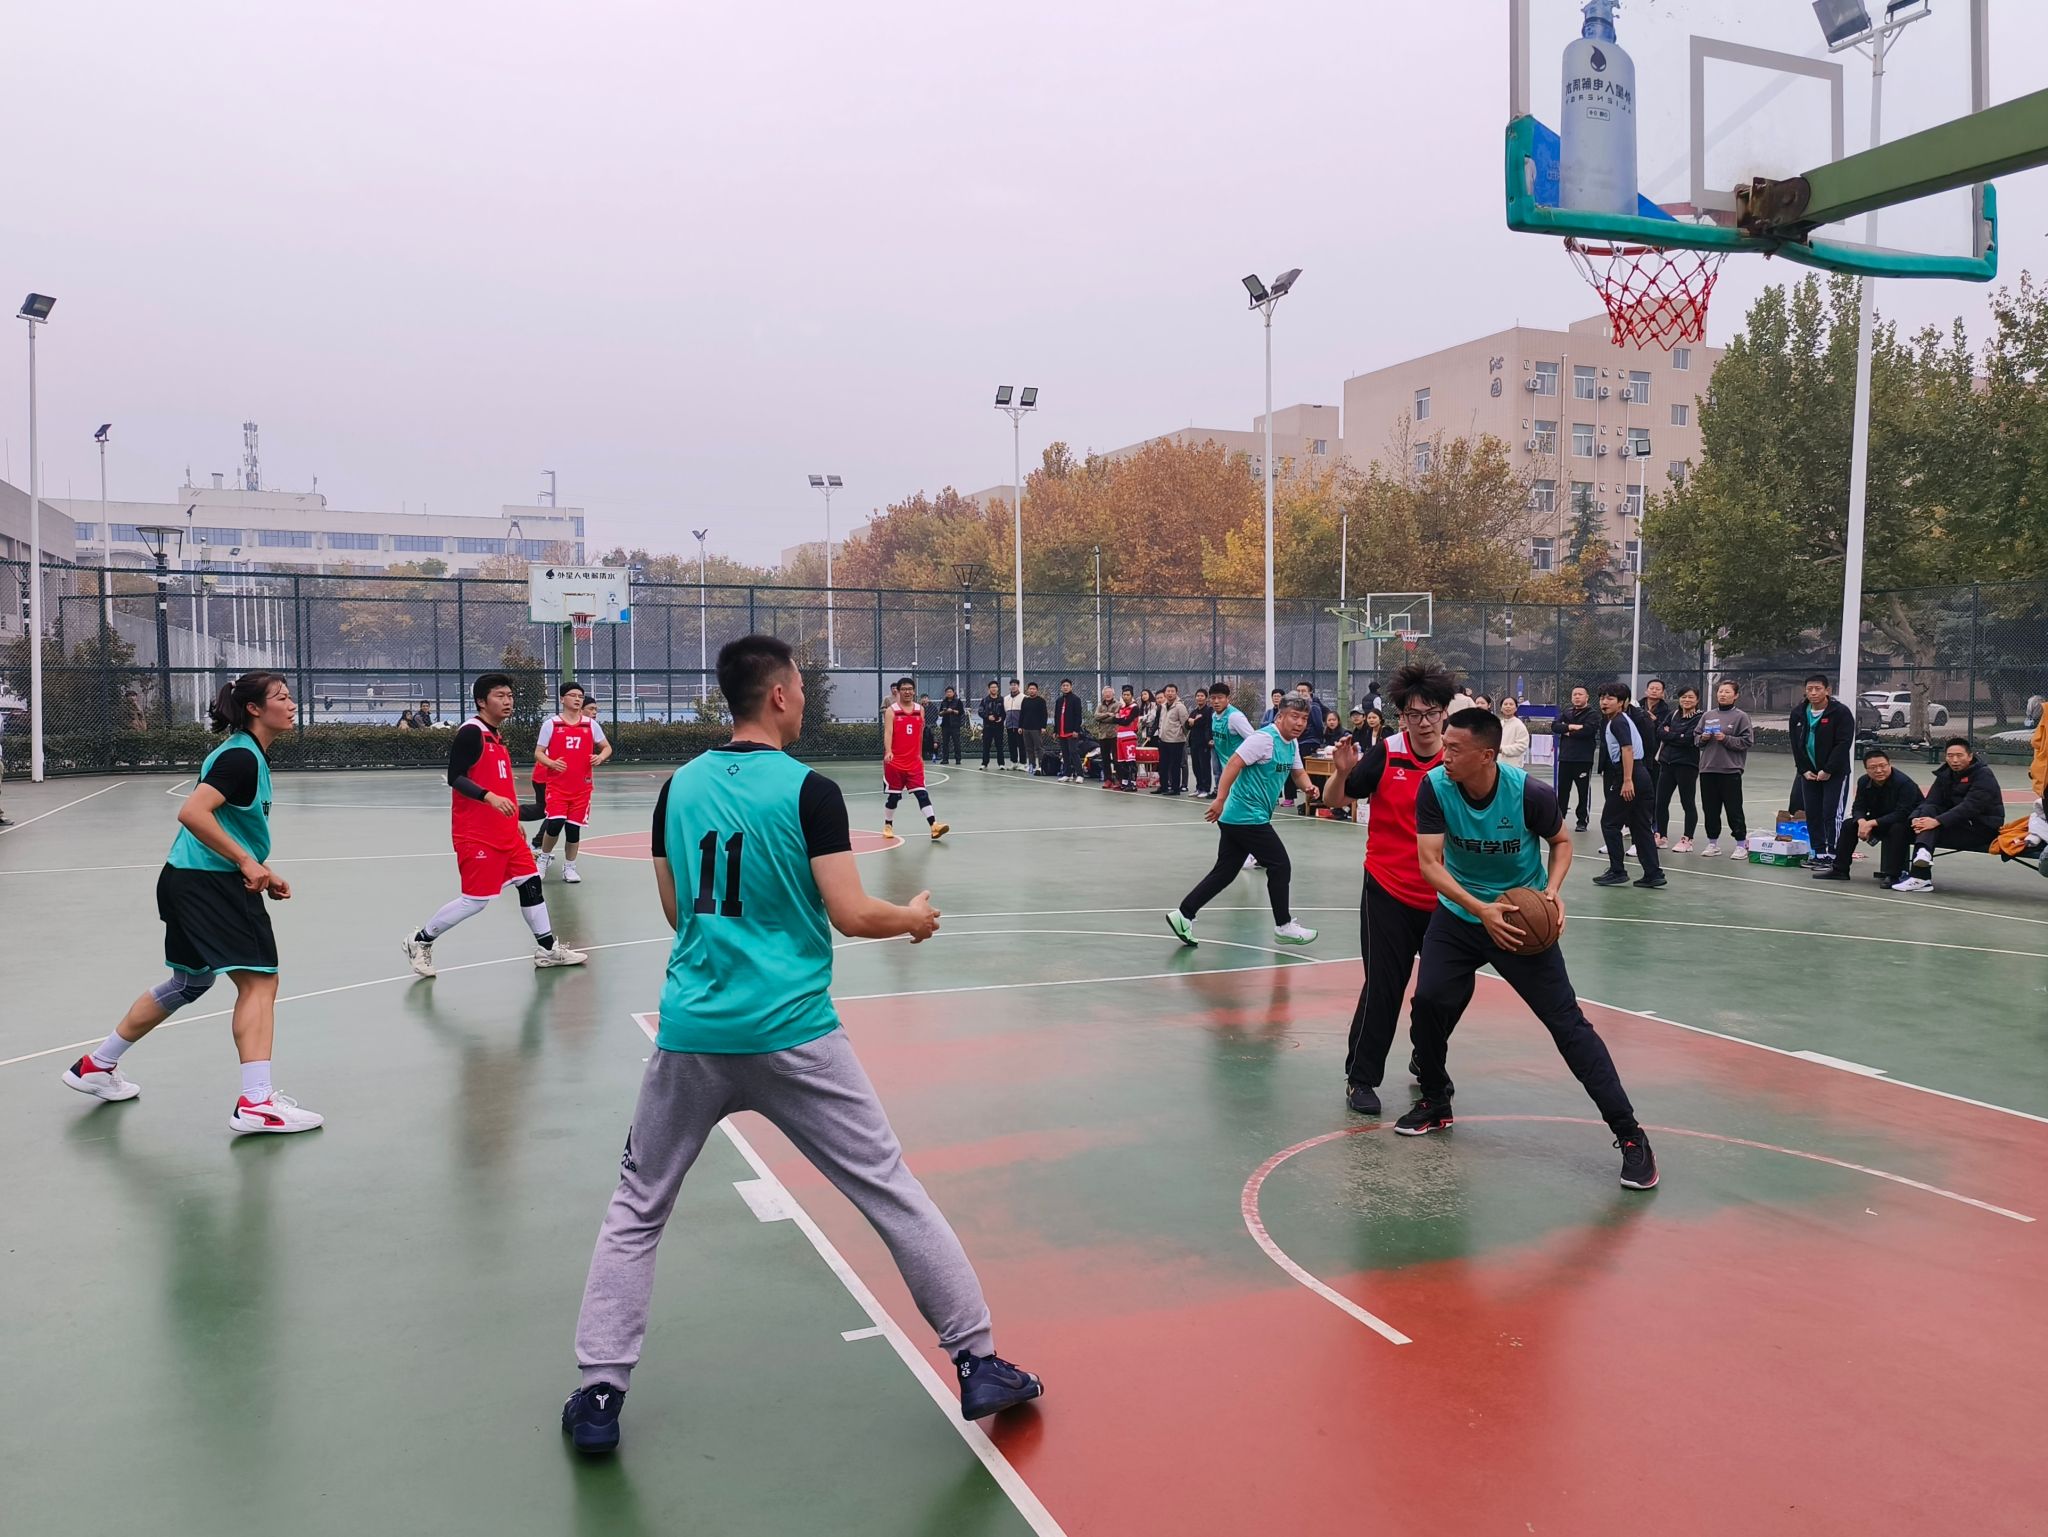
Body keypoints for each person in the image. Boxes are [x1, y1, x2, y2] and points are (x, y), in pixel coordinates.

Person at [562, 635, 1042, 1455]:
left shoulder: (677, 789)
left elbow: (677, 911)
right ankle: (978, 1362)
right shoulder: (810, 790)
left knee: (638, 1206)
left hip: (694, 1032)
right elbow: (852, 913)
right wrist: (912, 917)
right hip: (794, 1033)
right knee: (888, 1189)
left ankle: (600, 1392)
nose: (806, 700)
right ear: (780, 694)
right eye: (801, 688)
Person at [1402, 707, 1658, 1190]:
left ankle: (1630, 1134)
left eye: (1454, 748)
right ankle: (1435, 1099)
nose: (1444, 755)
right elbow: (1430, 863)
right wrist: (1480, 909)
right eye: (1444, 746)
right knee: (1429, 1001)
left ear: (1487, 755)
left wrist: (1551, 891)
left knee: (1567, 1025)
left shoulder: (1529, 793)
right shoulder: (1435, 787)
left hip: (1521, 921)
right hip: (1461, 914)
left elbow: (1561, 842)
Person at [62, 671, 324, 1133]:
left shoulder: (246, 753)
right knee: (260, 982)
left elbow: (226, 823)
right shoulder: (241, 757)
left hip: (185, 878)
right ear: (254, 709)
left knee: (189, 982)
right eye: (282, 697)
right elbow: (192, 812)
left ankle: (96, 1066)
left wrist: (261, 866)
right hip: (210, 884)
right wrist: (246, 861)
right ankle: (257, 1104)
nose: (291, 704)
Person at [1320, 661, 1453, 1116]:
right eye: (1413, 714)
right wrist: (1341, 772)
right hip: (1388, 888)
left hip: (1446, 895)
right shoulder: (1388, 753)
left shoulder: (1458, 758)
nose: (1423, 722)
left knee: (1444, 991)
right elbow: (1336, 799)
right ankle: (1361, 1078)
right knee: (1384, 987)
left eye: (1431, 712)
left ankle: (1426, 1058)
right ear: (1401, 717)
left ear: (1444, 712)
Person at [402, 673, 588, 977]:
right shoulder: (471, 732)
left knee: (530, 883)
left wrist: (513, 820)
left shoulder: (496, 737)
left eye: (510, 696)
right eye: (500, 695)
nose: (508, 701)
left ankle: (547, 950)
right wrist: (488, 797)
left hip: (505, 832)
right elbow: (455, 777)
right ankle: (420, 940)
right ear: (481, 701)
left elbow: (500, 783)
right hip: (476, 834)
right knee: (475, 901)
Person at [1167, 696, 1320, 947]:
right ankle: (1284, 926)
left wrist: (1309, 787)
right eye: (1294, 717)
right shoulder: (1263, 739)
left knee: (1225, 871)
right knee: (1280, 865)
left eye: (1304, 718)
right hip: (1246, 815)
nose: (1300, 723)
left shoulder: (1291, 744)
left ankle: (1184, 914)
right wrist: (1220, 799)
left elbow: (1298, 772)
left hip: (1238, 817)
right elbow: (1233, 764)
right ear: (1280, 716)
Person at [1894, 737, 2005, 893]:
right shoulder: (1946, 774)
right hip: (1956, 825)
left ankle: (1921, 875)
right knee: (1921, 816)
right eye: (1950, 756)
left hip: (1982, 829)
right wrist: (1916, 819)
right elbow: (1930, 801)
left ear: (1970, 756)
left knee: (1930, 828)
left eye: (1959, 755)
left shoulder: (1983, 775)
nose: (1954, 760)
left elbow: (1970, 807)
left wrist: (1936, 821)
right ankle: (1920, 857)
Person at [535, 682, 613, 884]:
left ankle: (569, 867)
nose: (577, 699)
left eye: (580, 696)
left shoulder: (590, 725)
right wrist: (551, 763)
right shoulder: (551, 724)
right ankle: (543, 858)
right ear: (562, 699)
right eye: (573, 695)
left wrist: (600, 757)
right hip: (557, 786)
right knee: (555, 824)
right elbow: (538, 753)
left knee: (573, 829)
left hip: (582, 788)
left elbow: (606, 747)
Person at [1593, 683, 1664, 889]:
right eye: (1602, 698)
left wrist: (1626, 780)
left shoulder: (1617, 722)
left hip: (1629, 774)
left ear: (1622, 702)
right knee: (1640, 826)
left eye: (1610, 698)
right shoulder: (1620, 719)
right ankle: (1653, 873)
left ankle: (1617, 871)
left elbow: (1627, 749)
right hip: (1642, 775)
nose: (1604, 702)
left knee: (1609, 823)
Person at [1789, 674, 1857, 874]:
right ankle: (1819, 854)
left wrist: (1828, 769)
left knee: (1831, 814)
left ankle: (1834, 855)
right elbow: (1796, 744)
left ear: (1827, 690)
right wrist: (1804, 770)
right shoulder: (1798, 713)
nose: (1813, 693)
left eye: (1817, 689)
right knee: (1813, 813)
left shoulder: (1841, 713)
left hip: (1835, 774)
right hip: (1809, 774)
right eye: (1809, 689)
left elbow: (1843, 743)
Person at [1841, 748, 1924, 887]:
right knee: (1849, 824)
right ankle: (1840, 869)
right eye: (1873, 767)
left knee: (1897, 829)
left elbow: (1902, 813)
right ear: (1866, 769)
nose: (1879, 770)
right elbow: (1859, 807)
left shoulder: (1904, 783)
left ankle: (1893, 875)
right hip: (1879, 821)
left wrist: (1871, 823)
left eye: (1882, 766)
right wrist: (1862, 822)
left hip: (1907, 824)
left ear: (1889, 764)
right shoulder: (1864, 781)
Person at [881, 678, 949, 841]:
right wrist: (888, 751)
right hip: (895, 762)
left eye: (910, 689)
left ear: (914, 691)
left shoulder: (920, 709)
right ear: (898, 691)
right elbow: (888, 733)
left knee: (922, 794)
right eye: (904, 689)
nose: (907, 692)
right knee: (894, 797)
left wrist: (919, 754)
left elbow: (919, 734)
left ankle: (934, 826)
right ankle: (888, 825)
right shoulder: (892, 710)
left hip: (914, 762)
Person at [1696, 679, 1754, 858]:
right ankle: (1712, 843)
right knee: (1710, 809)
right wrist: (1703, 738)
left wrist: (1726, 738)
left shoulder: (1741, 717)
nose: (1723, 694)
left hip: (1730, 770)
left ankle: (1740, 844)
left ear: (1736, 695)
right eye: (1720, 691)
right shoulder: (1708, 715)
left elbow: (1747, 741)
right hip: (1708, 769)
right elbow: (1696, 739)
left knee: (1734, 809)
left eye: (1727, 692)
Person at [1206, 684, 1261, 865]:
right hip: (1228, 772)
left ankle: (1253, 853)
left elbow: (1254, 740)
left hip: (1242, 772)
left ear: (1228, 698)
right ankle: (1250, 851)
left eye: (1220, 698)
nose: (1216, 701)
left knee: (1240, 812)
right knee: (1231, 814)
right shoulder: (1214, 716)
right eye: (1213, 698)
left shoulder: (1235, 717)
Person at [1653, 686, 1702, 852]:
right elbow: (1660, 731)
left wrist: (1671, 734)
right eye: (1683, 697)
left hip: (1687, 765)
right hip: (1667, 763)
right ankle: (1661, 836)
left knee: (1687, 802)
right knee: (1660, 802)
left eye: (1690, 697)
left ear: (1697, 700)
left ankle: (1688, 839)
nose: (1686, 700)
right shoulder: (1673, 714)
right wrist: (1676, 735)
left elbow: (1688, 739)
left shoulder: (1699, 718)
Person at [1555, 685, 1598, 832]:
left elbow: (1588, 730)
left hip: (1583, 759)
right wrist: (1572, 727)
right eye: (1574, 694)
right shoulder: (1566, 712)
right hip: (1565, 758)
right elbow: (1555, 726)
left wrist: (1567, 731)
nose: (1577, 697)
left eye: (1580, 694)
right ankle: (1560, 819)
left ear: (1587, 697)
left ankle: (1582, 821)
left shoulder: (1592, 714)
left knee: (1583, 791)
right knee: (1562, 791)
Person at [1640, 678, 1671, 815]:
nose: (1654, 691)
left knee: (1654, 789)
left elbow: (1666, 732)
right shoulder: (1636, 707)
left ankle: (1653, 819)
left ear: (1662, 693)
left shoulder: (1667, 712)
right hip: (1639, 754)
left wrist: (1655, 721)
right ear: (1646, 691)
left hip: (1657, 755)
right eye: (1651, 688)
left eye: (1658, 689)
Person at [1154, 683, 1190, 795]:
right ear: (1165, 693)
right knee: (1163, 765)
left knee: (1175, 766)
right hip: (1163, 740)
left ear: (1176, 693)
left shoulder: (1180, 707)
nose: (1170, 693)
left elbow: (1185, 724)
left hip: (1176, 741)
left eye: (1172, 691)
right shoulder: (1163, 706)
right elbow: (1161, 721)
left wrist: (1180, 735)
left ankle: (1175, 788)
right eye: (1168, 691)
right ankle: (1164, 786)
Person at [1052, 678, 1087, 781]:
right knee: (1065, 753)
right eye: (1063, 686)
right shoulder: (1059, 700)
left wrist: (1076, 730)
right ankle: (1067, 774)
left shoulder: (1076, 699)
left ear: (1071, 687)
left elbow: (1078, 716)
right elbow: (1056, 716)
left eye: (1067, 686)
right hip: (1061, 732)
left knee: (1073, 752)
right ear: (1061, 687)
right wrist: (1055, 730)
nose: (1065, 687)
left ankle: (1080, 775)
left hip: (1071, 732)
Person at [1186, 688, 1215, 797]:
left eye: (1202, 696)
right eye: (1198, 696)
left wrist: (1194, 721)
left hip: (1204, 743)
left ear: (1206, 698)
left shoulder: (1209, 711)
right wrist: (1190, 722)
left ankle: (1206, 789)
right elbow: (1187, 725)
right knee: (1196, 766)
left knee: (1204, 766)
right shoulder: (1194, 712)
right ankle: (1199, 788)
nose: (1199, 698)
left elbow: (1206, 724)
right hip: (1194, 743)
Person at [1090, 687, 1121, 785]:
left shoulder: (1118, 704)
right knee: (1105, 759)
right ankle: (1108, 779)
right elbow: (1096, 716)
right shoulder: (1100, 705)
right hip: (1103, 735)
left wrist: (1103, 718)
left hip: (1114, 734)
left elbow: (1115, 718)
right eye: (1106, 693)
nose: (1107, 694)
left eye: (1109, 692)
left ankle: (1119, 779)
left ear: (1113, 694)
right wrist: (1107, 714)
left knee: (1117, 759)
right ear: (1103, 694)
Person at [1018, 682, 1048, 776]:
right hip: (1026, 728)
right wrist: (1020, 726)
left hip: (1036, 728)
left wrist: (1043, 727)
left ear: (1037, 690)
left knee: (1039, 748)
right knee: (1029, 748)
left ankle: (1041, 766)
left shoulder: (1041, 701)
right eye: (1030, 689)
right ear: (1028, 690)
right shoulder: (1025, 700)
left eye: (1033, 689)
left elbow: (1044, 714)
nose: (1032, 690)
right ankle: (1032, 766)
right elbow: (1022, 714)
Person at [978, 681, 1007, 770]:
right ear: (989, 689)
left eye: (995, 687)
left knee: (999, 746)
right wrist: (987, 717)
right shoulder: (985, 700)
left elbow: (1005, 712)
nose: (994, 689)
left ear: (998, 689)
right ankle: (984, 763)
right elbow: (980, 711)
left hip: (999, 727)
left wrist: (1001, 718)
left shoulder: (1002, 700)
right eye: (992, 687)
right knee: (986, 746)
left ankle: (1001, 764)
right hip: (987, 727)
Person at [1497, 695, 1530, 766]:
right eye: (1505, 704)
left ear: (1516, 708)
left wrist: (1502, 749)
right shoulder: (1499, 724)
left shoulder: (1519, 725)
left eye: (1511, 704)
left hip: (1513, 766)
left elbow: (1522, 746)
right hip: (1499, 764)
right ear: (1501, 708)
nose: (1508, 706)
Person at [938, 686, 965, 764]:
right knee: (945, 743)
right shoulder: (943, 702)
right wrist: (944, 712)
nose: (949, 693)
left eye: (950, 692)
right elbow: (940, 713)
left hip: (955, 725)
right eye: (947, 692)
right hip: (945, 725)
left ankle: (958, 759)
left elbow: (961, 712)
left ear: (953, 693)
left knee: (956, 742)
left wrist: (952, 711)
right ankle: (945, 759)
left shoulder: (958, 701)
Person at [1003, 679, 1025, 771]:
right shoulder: (1006, 698)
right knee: (1012, 745)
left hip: (1019, 727)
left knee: (1021, 745)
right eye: (1012, 685)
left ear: (1018, 686)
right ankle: (1014, 762)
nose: (1013, 686)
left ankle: (1023, 763)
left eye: (1015, 685)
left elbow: (1025, 713)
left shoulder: (1024, 698)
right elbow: (1006, 712)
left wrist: (1022, 726)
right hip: (1009, 726)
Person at [919, 695, 938, 761]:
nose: (924, 700)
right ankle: (922, 754)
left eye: (925, 698)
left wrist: (930, 723)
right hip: (922, 726)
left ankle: (934, 754)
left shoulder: (933, 707)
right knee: (922, 740)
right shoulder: (919, 707)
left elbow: (936, 716)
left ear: (928, 699)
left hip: (932, 725)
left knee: (934, 740)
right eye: (923, 698)